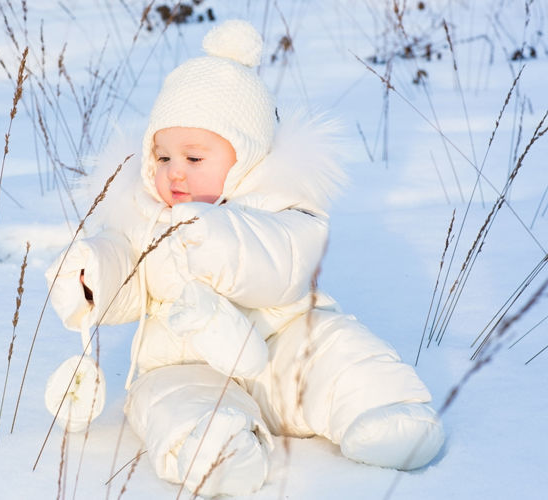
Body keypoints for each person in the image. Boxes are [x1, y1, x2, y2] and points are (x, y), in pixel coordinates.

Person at [45, 19, 444, 497]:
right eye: (163, 156)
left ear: (247, 157)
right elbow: (128, 268)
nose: (174, 174)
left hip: (279, 344)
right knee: (168, 399)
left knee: (336, 350)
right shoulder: (144, 213)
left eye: (194, 159)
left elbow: (282, 269)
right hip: (185, 359)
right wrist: (92, 276)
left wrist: (213, 236)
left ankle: (388, 415)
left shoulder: (283, 203)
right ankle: (218, 450)